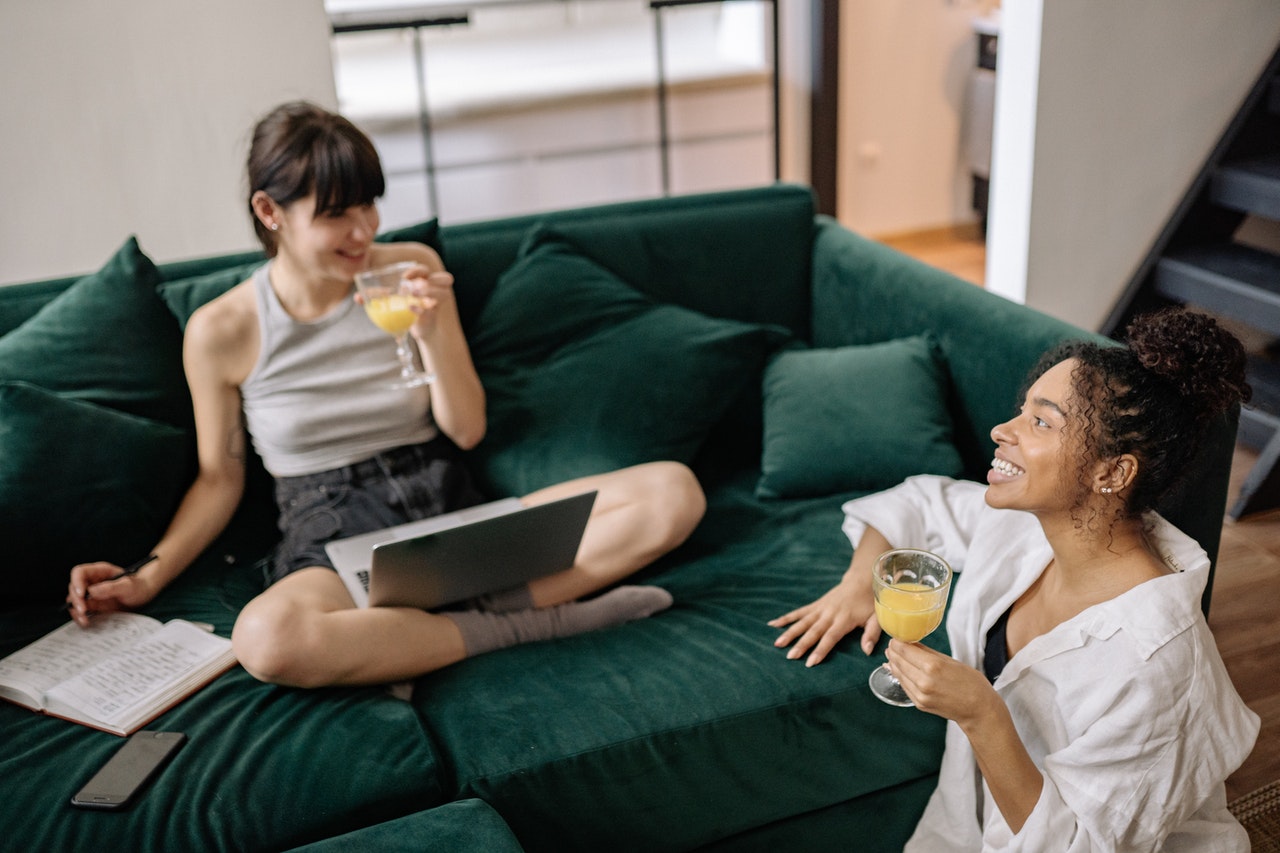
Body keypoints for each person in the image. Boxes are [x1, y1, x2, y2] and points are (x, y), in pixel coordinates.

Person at [65, 101, 705, 688]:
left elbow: (467, 430)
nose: (363, 231)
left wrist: (430, 334)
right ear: (270, 213)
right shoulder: (221, 330)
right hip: (329, 520)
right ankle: (530, 623)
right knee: (266, 640)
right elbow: (218, 479)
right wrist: (146, 575)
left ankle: (417, 633)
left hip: (445, 497)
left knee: (674, 493)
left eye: (369, 205)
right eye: (336, 213)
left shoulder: (409, 271)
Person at [771, 308, 1260, 850]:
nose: (1002, 431)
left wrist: (983, 714)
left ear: (1112, 473)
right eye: (1020, 412)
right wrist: (859, 582)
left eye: (1041, 422)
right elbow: (919, 500)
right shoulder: (1031, 526)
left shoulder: (1157, 665)